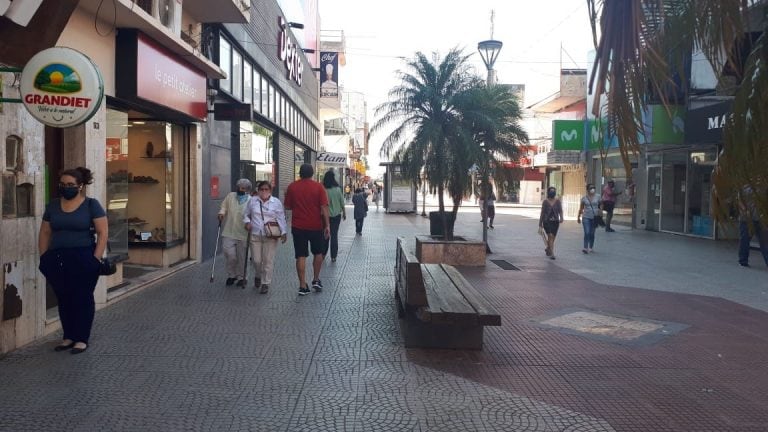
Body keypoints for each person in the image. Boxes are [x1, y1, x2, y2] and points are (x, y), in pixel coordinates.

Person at [38, 167, 107, 355]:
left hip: (84, 256)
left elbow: (102, 232)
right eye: (62, 184)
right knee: (64, 298)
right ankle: (68, 336)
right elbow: (45, 232)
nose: (66, 188)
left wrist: (95, 259)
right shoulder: (52, 206)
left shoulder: (91, 205)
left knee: (82, 298)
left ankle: (81, 338)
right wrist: (44, 257)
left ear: (80, 186)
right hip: (57, 258)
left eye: (70, 185)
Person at [284, 164, 331, 296]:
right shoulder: (319, 187)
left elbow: (287, 206)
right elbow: (324, 208)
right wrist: (327, 225)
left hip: (298, 226)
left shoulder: (292, 187)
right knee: (318, 253)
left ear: (300, 173)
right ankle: (315, 279)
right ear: (312, 173)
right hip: (316, 226)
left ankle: (302, 285)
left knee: (301, 255)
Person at [243, 181, 287, 293]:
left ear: (270, 191)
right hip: (255, 234)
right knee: (256, 261)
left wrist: (283, 232)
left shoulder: (276, 202)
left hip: (270, 236)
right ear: (258, 190)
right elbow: (246, 214)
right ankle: (258, 275)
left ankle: (265, 283)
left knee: (268, 260)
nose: (263, 191)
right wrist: (247, 222)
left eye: (266, 189)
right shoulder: (252, 201)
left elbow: (281, 217)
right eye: (261, 189)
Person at [218, 179, 252, 286]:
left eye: (242, 188)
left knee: (242, 257)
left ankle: (242, 277)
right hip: (229, 231)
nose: (239, 189)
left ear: (247, 190)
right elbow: (224, 207)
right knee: (230, 254)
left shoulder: (251, 200)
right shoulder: (230, 196)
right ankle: (231, 275)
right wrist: (221, 213)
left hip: (243, 233)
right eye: (238, 187)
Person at [737, 185, 768, 267]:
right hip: (746, 219)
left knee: (765, 241)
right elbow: (739, 200)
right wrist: (745, 210)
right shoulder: (743, 186)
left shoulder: (763, 186)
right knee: (745, 240)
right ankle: (743, 261)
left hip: (760, 219)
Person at [322, 171, 346, 263]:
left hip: (325, 216)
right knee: (334, 235)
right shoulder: (337, 189)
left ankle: (323, 254)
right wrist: (344, 213)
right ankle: (333, 256)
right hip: (336, 216)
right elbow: (342, 202)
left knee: (325, 235)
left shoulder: (324, 190)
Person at [539, 186, 564, 260]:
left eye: (553, 191)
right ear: (548, 192)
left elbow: (560, 210)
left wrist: (561, 217)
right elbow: (542, 213)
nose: (552, 192)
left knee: (553, 237)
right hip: (547, 221)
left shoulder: (558, 201)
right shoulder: (545, 202)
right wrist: (540, 223)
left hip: (555, 222)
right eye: (551, 191)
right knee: (550, 235)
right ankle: (552, 254)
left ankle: (548, 248)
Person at [577, 183, 602, 254]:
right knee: (587, 232)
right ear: (587, 189)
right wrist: (578, 217)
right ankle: (585, 247)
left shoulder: (598, 196)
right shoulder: (584, 198)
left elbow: (601, 204)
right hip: (586, 217)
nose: (592, 189)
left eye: (593, 187)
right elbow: (581, 208)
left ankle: (591, 247)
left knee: (592, 233)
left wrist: (600, 210)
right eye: (591, 188)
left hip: (595, 217)